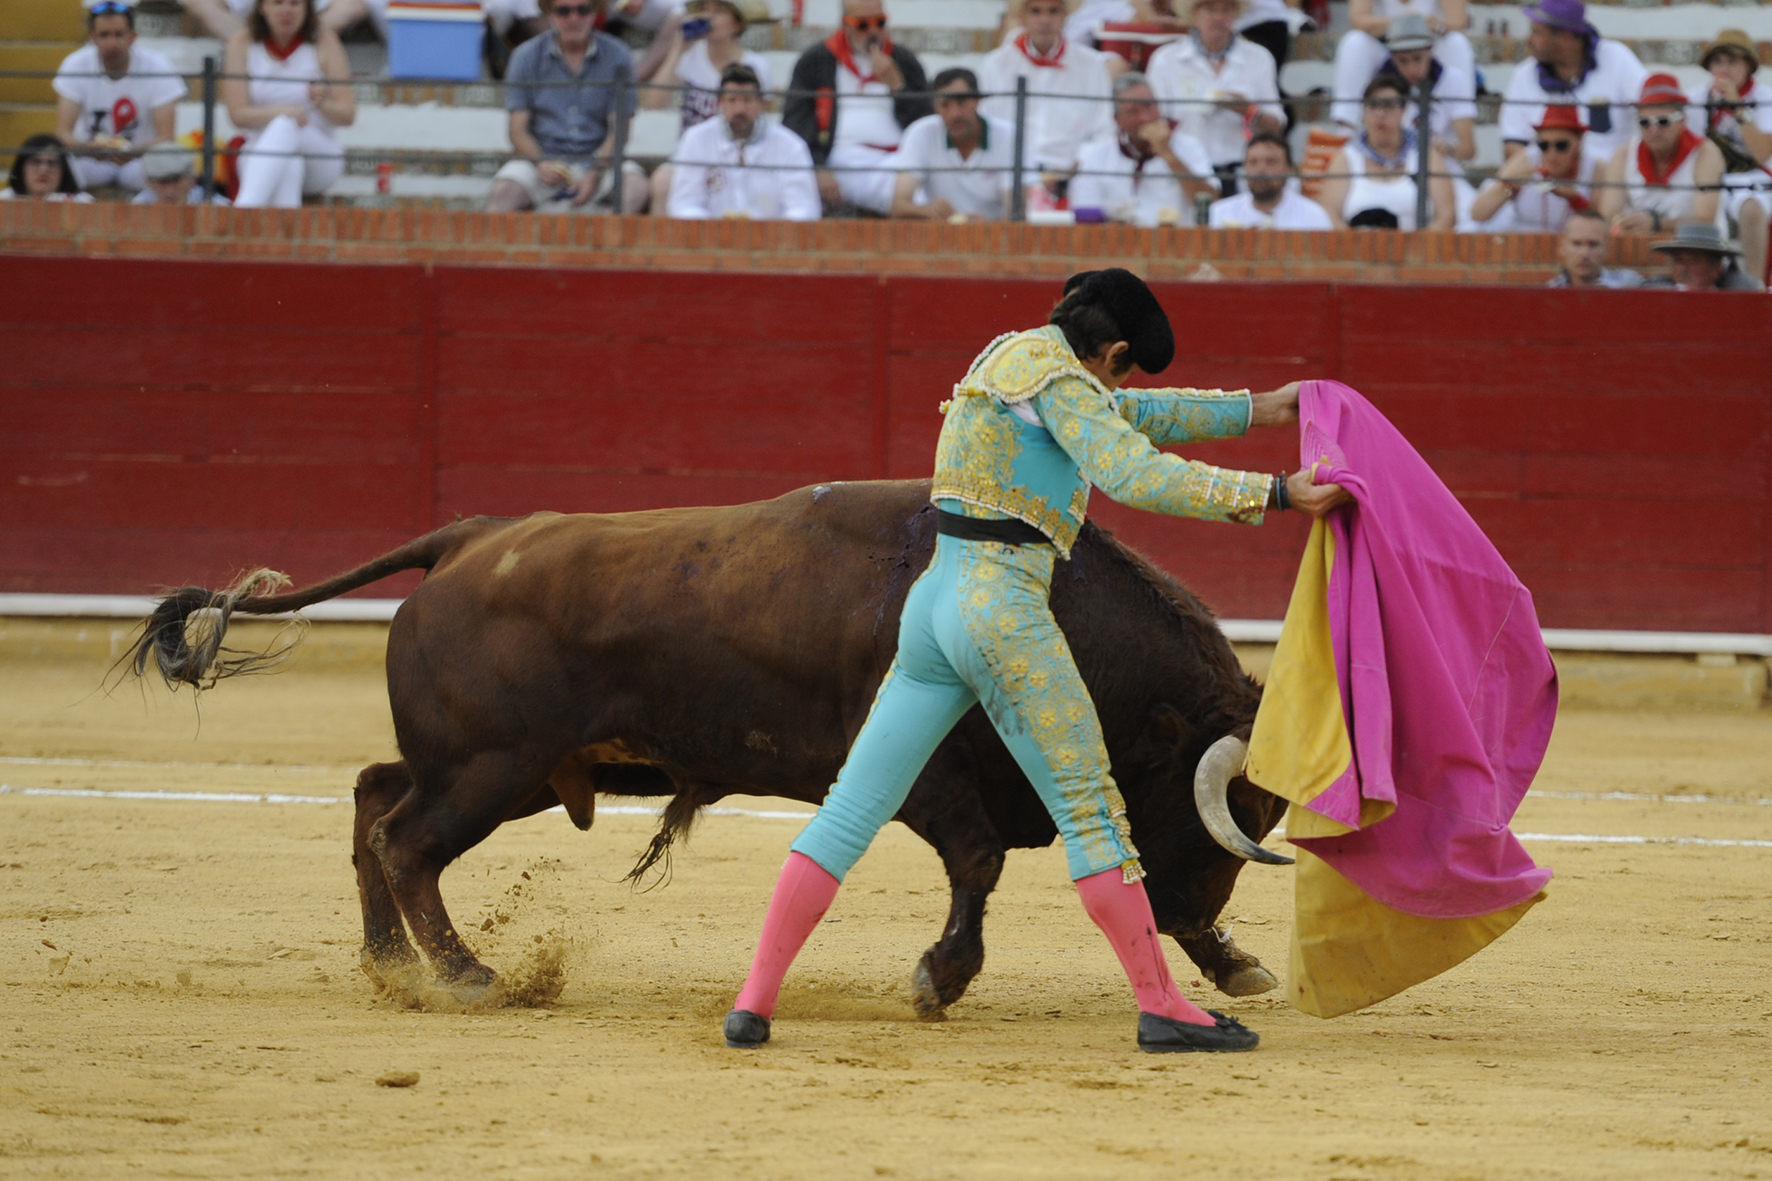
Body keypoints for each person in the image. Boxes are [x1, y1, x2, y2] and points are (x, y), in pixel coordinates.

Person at [720, 267, 1349, 1055]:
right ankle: (1162, 1005)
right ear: (1111, 348)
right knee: (1091, 809)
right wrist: (1278, 494)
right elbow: (1131, 468)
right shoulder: (1064, 381)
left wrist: (1262, 409)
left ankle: (754, 1001)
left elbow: (1133, 412)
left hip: (935, 605)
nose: (1115, 386)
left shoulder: (1008, 358)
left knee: (851, 808)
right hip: (1005, 611)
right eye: (1120, 367)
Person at [489, 0, 645, 214]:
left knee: (635, 187)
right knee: (503, 193)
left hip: (600, 161)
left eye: (583, 9)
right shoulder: (525, 56)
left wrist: (595, 172)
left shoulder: (619, 56)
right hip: (540, 160)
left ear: (594, 13)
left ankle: (615, 246)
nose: (574, 18)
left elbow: (620, 130)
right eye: (563, 11)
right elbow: (517, 130)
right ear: (549, 14)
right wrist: (541, 163)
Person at [782, 0, 932, 215]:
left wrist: (898, 86)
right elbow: (795, 122)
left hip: (897, 160)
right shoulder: (816, 60)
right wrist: (818, 166)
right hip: (841, 159)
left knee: (919, 188)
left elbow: (924, 123)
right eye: (863, 25)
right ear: (845, 24)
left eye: (880, 23)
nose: (873, 31)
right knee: (913, 198)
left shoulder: (903, 60)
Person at [222, 0, 354, 209]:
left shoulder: (324, 41)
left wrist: (322, 103)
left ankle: (242, 212)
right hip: (259, 148)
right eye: (278, 3)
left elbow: (348, 115)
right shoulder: (241, 43)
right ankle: (287, 236)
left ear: (306, 9)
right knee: (289, 162)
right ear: (262, 7)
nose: (287, 11)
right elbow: (237, 115)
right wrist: (286, 111)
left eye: (295, 4)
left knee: (286, 125)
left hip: (319, 153)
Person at [643, 0, 771, 212]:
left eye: (719, 12)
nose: (708, 17)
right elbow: (654, 102)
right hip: (691, 155)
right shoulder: (689, 57)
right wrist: (678, 49)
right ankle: (662, 245)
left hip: (738, 154)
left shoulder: (756, 66)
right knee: (663, 181)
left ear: (736, 24)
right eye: (704, 10)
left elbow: (760, 121)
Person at [1144, 0, 1283, 194]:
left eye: (1227, 9)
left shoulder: (1259, 58)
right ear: (1193, 14)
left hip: (1242, 176)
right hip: (1185, 175)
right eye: (1210, 9)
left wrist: (1248, 110)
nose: (1219, 17)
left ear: (1236, 14)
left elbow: (1276, 129)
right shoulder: (1166, 60)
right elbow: (1153, 126)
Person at [53, 1, 185, 194]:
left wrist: (133, 152)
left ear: (133, 36)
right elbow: (63, 134)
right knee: (59, 166)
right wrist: (89, 149)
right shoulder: (75, 64)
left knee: (168, 167)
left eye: (119, 34)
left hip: (140, 161)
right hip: (90, 161)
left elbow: (166, 138)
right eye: (104, 35)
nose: (112, 43)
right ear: (92, 37)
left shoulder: (158, 66)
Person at [979, 0, 1115, 183]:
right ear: (1023, 16)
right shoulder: (995, 65)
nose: (1045, 20)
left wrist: (1078, 167)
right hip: (1011, 175)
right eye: (1036, 12)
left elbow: (1104, 129)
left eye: (1053, 12)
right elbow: (986, 125)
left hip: (1074, 176)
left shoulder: (1092, 65)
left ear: (1065, 16)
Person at [664, 64, 819, 220]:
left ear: (761, 103)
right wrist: (718, 232)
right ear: (719, 103)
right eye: (732, 100)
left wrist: (769, 235)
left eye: (747, 100)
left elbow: (803, 208)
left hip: (772, 239)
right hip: (712, 239)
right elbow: (684, 204)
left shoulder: (790, 146)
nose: (740, 109)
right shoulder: (696, 140)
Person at [1499, 0, 1645, 164]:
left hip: (1611, 181)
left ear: (1566, 38)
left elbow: (1654, 111)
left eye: (1537, 32)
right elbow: (1513, 145)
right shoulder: (1523, 75)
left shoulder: (1616, 59)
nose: (1529, 40)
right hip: (1545, 181)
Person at [1069, 72, 1217, 225]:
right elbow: (1085, 218)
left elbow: (1212, 204)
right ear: (1118, 120)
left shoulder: (1189, 146)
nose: (1145, 118)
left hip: (1178, 243)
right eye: (1133, 112)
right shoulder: (1094, 156)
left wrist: (1168, 155)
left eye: (1149, 107)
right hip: (1118, 243)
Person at [1688, 30, 1772, 292]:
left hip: (1754, 175)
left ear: (1748, 66)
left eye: (1732, 61)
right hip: (1710, 176)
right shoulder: (1697, 98)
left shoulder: (1764, 97)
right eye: (1718, 61)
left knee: (1751, 208)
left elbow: (1762, 154)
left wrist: (1737, 106)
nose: (1724, 69)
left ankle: (1756, 288)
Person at [1315, 74, 1454, 230]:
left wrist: (1416, 250)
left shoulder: (1426, 155)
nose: (1380, 114)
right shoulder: (1346, 158)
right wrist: (1355, 249)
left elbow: (1446, 214)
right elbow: (1329, 214)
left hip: (1416, 251)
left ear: (1403, 110)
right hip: (1357, 250)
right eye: (1373, 106)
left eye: (1388, 106)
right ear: (1363, 111)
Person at [1595, 74, 1723, 237]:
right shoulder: (1623, 155)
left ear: (1683, 121)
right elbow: (1608, 217)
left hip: (1697, 251)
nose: (1654, 130)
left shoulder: (1704, 153)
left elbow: (1706, 222)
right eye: (1644, 122)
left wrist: (1655, 223)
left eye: (1663, 121)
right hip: (1638, 251)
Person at [891, 69, 1026, 222]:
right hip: (940, 236)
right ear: (935, 106)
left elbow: (1017, 213)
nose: (954, 113)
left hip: (995, 240)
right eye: (945, 104)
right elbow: (898, 206)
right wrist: (927, 211)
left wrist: (987, 225)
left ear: (977, 101)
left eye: (961, 103)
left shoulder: (1008, 135)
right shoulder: (920, 133)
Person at [1331, 0, 1473, 134]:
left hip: (1428, 49)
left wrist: (1434, 24)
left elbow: (1458, 20)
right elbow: (1358, 18)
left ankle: (1458, 135)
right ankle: (1346, 131)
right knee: (1354, 43)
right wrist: (1405, 22)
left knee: (1457, 43)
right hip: (1388, 48)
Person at [1352, 14, 1475, 166]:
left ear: (1431, 51)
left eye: (1417, 58)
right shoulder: (1381, 88)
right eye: (1402, 61)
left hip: (1443, 168)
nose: (1412, 69)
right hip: (1395, 169)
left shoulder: (1455, 80)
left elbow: (1469, 149)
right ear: (1392, 57)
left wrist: (1448, 149)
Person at [1469, 103, 1598, 232]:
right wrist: (1507, 187)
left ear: (1579, 141)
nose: (1552, 154)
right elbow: (1478, 214)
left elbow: (1604, 227)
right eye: (1544, 145)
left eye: (1561, 145)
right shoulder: (1526, 159)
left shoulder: (1594, 167)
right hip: (1521, 242)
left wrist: (1574, 199)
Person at [1208, 131, 1332, 228]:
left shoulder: (1312, 216)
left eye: (1271, 162)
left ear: (1289, 169)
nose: (1261, 170)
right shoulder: (1220, 213)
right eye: (1253, 162)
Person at [1648, 220, 1764, 292]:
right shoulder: (1657, 297)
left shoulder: (1736, 303)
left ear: (1717, 269)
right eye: (1679, 260)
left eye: (1694, 261)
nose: (1683, 269)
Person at [1545, 208, 1640, 287]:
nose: (1584, 253)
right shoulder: (1549, 292)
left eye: (1593, 244)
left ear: (1607, 249)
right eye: (1576, 244)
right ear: (1562, 247)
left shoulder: (1628, 285)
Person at [129, 142, 233, 205]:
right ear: (149, 183)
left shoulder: (216, 207)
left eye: (176, 181)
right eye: (162, 182)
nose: (169, 191)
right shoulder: (138, 207)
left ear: (192, 179)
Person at [2, 135, 93, 203]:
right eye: (36, 162)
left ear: (63, 170)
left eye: (52, 163)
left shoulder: (83, 203)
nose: (43, 170)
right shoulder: (3, 201)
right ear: (21, 168)